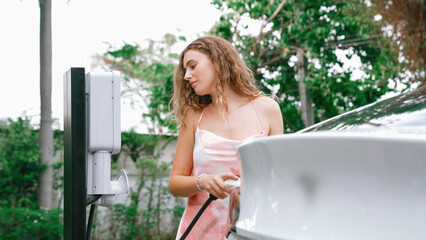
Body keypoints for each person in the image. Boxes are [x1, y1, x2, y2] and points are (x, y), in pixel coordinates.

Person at [169, 36, 283, 240]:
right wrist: (203, 182)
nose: (187, 75)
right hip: (200, 233)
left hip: (253, 231)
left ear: (218, 59)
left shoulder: (268, 109)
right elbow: (175, 184)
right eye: (185, 70)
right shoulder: (194, 115)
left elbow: (280, 179)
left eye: (192, 66)